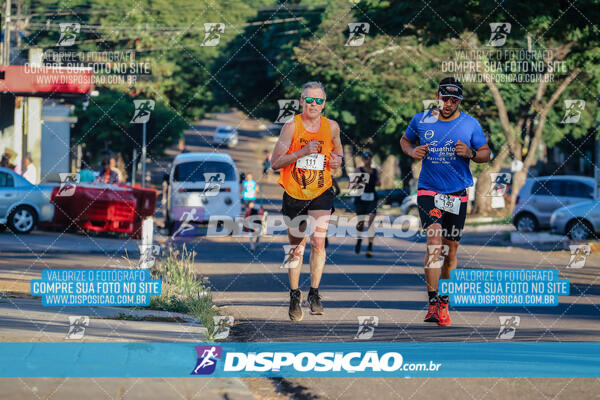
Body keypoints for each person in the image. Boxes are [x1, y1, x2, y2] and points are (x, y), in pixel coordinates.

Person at [400, 77, 490, 327]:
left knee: (450, 252)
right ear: (437, 96)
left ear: (460, 101)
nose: (448, 103)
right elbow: (405, 140)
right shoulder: (421, 119)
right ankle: (432, 300)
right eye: (445, 98)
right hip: (429, 190)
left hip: (457, 193)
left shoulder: (470, 124)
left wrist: (471, 153)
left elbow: (485, 153)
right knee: (434, 242)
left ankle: (444, 302)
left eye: (454, 100)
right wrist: (411, 151)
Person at [271, 81, 343, 321]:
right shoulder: (292, 127)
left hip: (322, 189)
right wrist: (301, 152)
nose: (314, 104)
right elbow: (275, 163)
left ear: (324, 103)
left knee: (318, 242)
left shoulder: (331, 127)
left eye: (318, 100)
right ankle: (294, 294)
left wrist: (337, 161)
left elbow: (339, 152)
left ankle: (314, 293)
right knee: (296, 247)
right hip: (294, 193)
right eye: (309, 100)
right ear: (302, 101)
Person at [353, 151, 380, 258]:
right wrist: (361, 183)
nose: (367, 159)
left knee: (371, 221)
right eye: (365, 158)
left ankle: (369, 247)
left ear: (371, 159)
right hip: (361, 198)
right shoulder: (358, 170)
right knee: (361, 223)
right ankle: (359, 241)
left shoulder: (375, 170)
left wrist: (377, 181)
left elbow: (379, 183)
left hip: (372, 197)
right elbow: (352, 185)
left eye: (369, 157)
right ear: (363, 159)